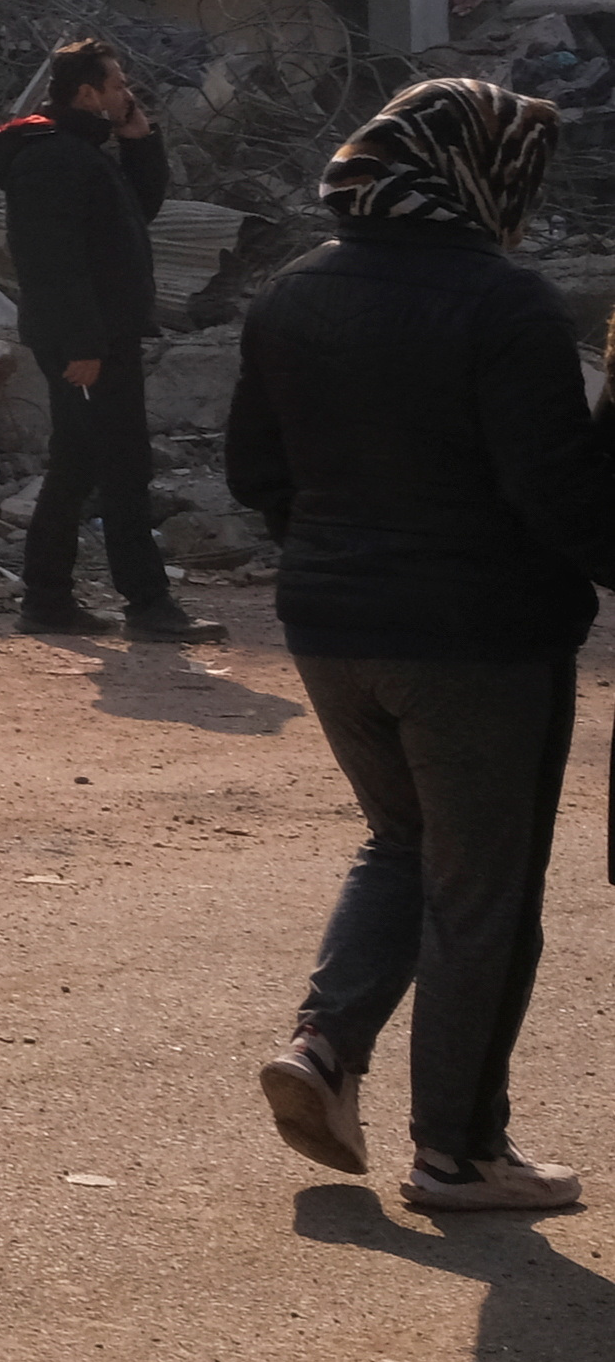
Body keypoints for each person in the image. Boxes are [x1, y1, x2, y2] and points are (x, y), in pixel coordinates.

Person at [228, 76, 615, 1215]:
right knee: (481, 891)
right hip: (480, 644)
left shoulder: (289, 292)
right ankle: (458, 1151)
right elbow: (563, 503)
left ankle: (325, 1047)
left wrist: (346, 555)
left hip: (329, 626)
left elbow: (257, 473)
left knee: (403, 839)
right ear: (478, 175)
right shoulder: (509, 307)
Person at [0, 35, 187, 637]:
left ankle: (47, 600)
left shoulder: (82, 151)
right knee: (123, 464)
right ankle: (148, 604)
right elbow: (52, 262)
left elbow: (133, 214)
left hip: (100, 336)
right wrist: (83, 347)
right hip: (86, 343)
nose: (127, 92)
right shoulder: (54, 159)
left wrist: (139, 140)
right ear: (87, 93)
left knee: (78, 463)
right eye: (117, 85)